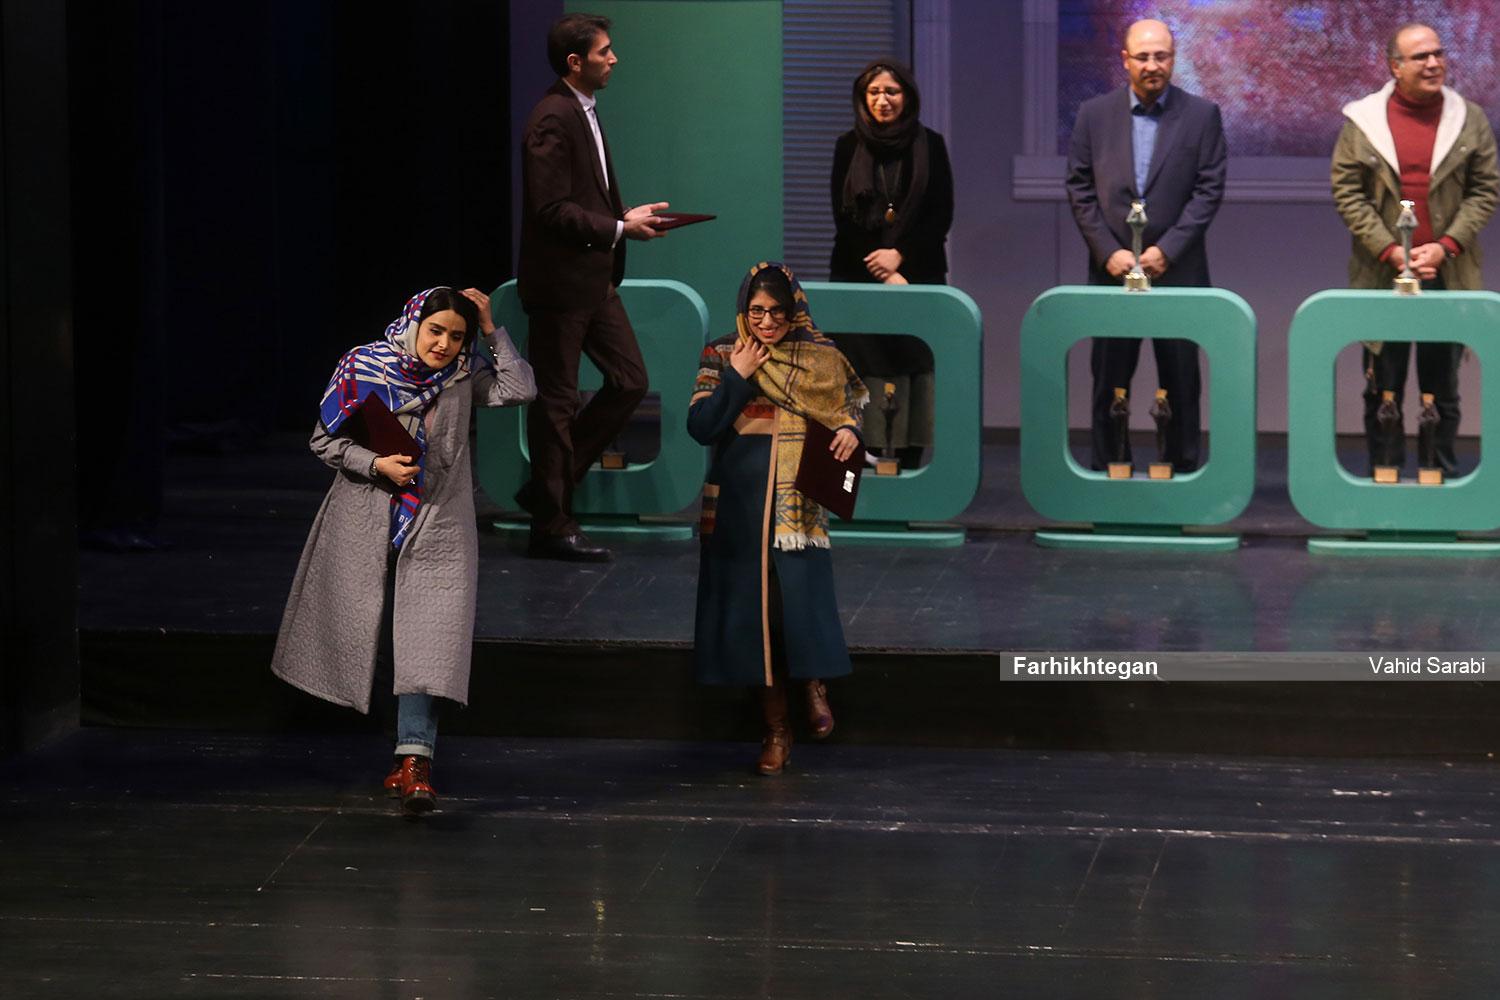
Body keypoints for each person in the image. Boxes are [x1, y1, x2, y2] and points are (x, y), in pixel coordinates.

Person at [271, 287, 535, 816]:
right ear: (415, 324)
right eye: (435, 330)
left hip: (438, 520)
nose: (443, 344)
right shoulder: (363, 365)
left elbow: (520, 388)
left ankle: (415, 761)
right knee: (366, 630)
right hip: (367, 515)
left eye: (455, 336)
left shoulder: (463, 375)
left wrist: (490, 328)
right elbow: (324, 441)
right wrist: (376, 465)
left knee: (428, 639)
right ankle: (392, 746)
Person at [688, 263, 866, 775]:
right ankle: (776, 731)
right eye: (757, 312)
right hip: (739, 507)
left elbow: (849, 408)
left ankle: (813, 682)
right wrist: (737, 377)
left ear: (795, 311)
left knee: (798, 606)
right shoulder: (724, 352)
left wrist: (851, 430)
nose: (766, 323)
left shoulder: (821, 356)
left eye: (777, 313)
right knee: (755, 621)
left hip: (797, 507)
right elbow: (701, 427)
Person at [514, 12, 668, 562]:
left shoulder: (582, 109)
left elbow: (583, 197)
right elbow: (551, 209)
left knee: (630, 381)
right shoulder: (552, 117)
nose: (614, 58)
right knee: (557, 402)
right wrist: (621, 228)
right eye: (605, 51)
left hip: (593, 280)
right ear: (575, 61)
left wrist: (622, 217)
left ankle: (546, 492)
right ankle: (551, 526)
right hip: (561, 286)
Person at [1331, 22, 1499, 476]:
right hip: (1381, 274)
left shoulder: (1469, 119)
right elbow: (1348, 192)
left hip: (1448, 273)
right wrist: (1390, 251)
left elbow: (1485, 191)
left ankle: (1436, 481)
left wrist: (1445, 246)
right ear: (1395, 66)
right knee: (1382, 388)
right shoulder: (1362, 121)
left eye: (1438, 54)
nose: (1433, 63)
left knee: (1442, 390)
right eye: (1421, 57)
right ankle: (1384, 480)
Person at [1064, 18, 1226, 473]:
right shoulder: (1094, 114)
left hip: (1178, 270)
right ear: (1125, 60)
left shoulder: (1202, 115)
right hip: (1112, 270)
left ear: (1173, 59)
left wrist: (1166, 250)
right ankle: (1110, 470)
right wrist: (1107, 251)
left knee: (1181, 378)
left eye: (1161, 56)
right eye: (1143, 57)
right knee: (1109, 378)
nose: (1152, 65)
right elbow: (1079, 187)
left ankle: (1181, 472)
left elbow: (1208, 190)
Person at [829, 60, 953, 468]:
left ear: (907, 97)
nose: (883, 100)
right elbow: (843, 218)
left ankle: (909, 466)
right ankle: (860, 467)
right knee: (862, 370)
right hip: (856, 275)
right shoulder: (847, 145)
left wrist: (901, 258)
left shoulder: (931, 144)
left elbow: (941, 214)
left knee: (912, 369)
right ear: (863, 98)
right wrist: (882, 269)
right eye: (874, 92)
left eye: (892, 92)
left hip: (918, 276)